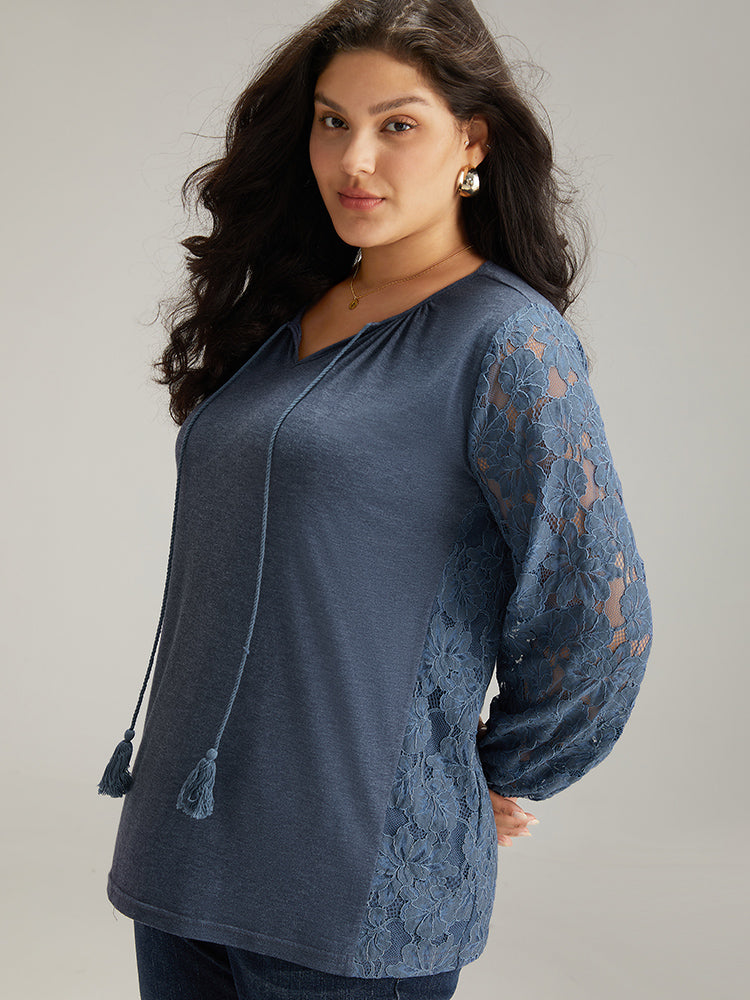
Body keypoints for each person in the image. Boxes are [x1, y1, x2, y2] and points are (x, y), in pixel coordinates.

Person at [97, 1, 653, 998]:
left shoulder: (509, 344)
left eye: (397, 124)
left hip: (347, 892)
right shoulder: (290, 315)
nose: (355, 159)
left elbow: (598, 614)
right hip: (182, 859)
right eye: (333, 121)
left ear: (471, 141)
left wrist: (492, 771)